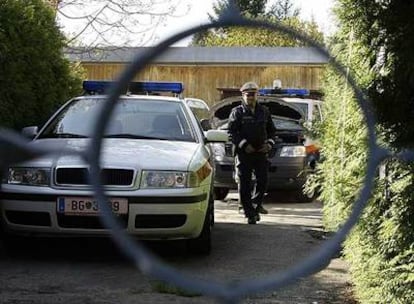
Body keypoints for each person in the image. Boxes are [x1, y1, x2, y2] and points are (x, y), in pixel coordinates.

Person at [228, 81, 277, 224]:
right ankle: (250, 213)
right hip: (244, 153)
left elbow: (272, 131)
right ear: (242, 95)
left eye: (253, 95)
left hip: (261, 152)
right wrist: (244, 144)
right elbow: (232, 132)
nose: (250, 98)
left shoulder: (264, 111)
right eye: (247, 95)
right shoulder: (237, 112)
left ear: (257, 95)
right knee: (245, 183)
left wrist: (269, 144)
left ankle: (255, 205)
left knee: (262, 181)